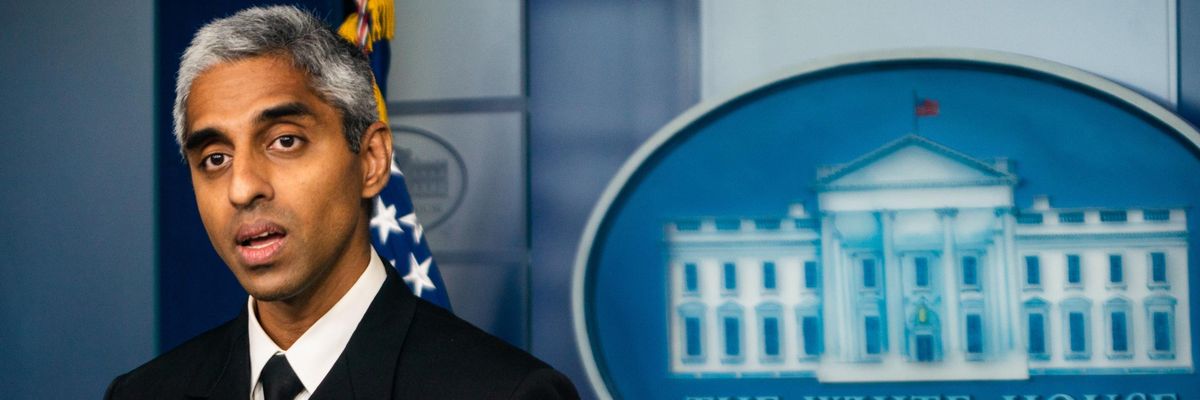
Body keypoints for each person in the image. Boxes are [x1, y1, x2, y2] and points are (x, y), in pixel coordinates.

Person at [106, 6, 578, 399]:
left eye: (285, 141)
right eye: (214, 158)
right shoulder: (142, 393)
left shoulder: (507, 394)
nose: (242, 187)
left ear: (371, 161)